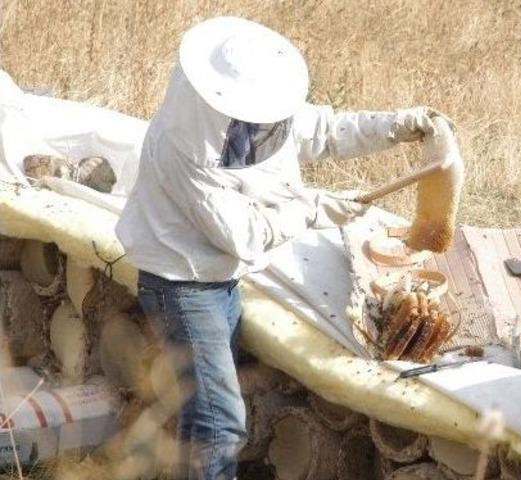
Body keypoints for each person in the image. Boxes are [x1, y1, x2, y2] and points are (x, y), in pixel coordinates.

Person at [115, 16, 449, 480]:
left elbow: (325, 131)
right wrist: (311, 210)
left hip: (219, 279)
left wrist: (397, 127)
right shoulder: (183, 148)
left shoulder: (254, 115)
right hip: (182, 285)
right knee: (219, 421)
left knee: (206, 404)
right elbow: (241, 234)